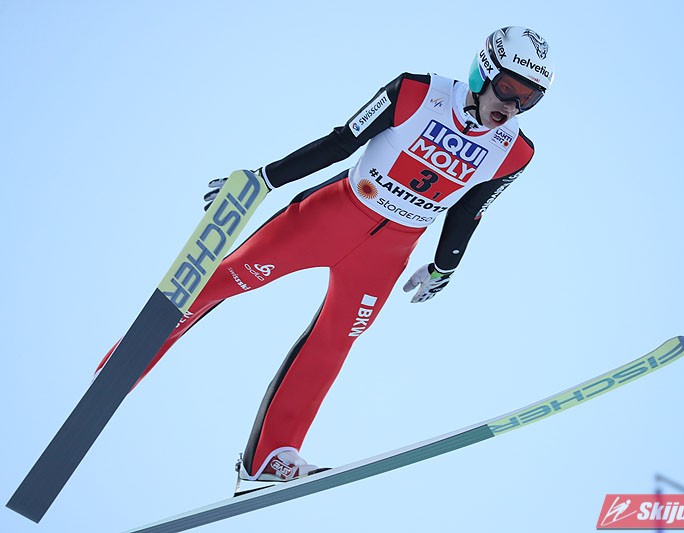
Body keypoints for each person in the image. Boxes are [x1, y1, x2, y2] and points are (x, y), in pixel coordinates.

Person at [96, 25, 554, 495]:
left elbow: (467, 210)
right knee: (227, 278)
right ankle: (126, 363)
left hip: (387, 254)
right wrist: (263, 180)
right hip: (330, 217)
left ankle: (270, 458)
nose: (512, 107)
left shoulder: (515, 152)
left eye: (528, 99)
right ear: (483, 72)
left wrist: (445, 265)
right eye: (508, 89)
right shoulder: (416, 92)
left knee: (337, 339)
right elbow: (341, 142)